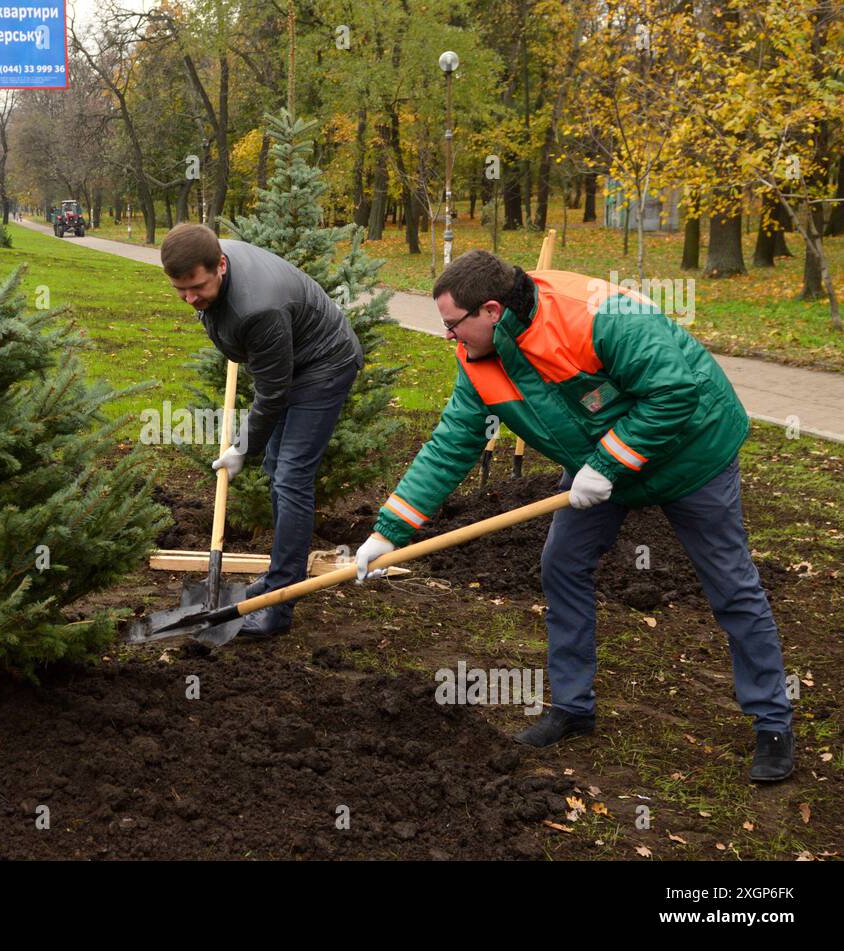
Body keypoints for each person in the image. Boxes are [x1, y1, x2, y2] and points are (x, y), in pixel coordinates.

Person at [353, 250, 794, 782]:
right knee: (561, 565)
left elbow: (674, 390)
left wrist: (609, 461)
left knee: (730, 583)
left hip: (692, 450)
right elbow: (451, 445)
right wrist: (388, 533)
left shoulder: (594, 316)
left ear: (491, 309)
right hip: (598, 467)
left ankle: (772, 722)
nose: (449, 337)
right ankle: (572, 706)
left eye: (452, 325)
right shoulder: (479, 360)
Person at [160, 223, 363, 637]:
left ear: (220, 265)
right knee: (276, 470)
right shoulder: (212, 260)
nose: (190, 299)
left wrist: (241, 447)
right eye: (181, 290)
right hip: (291, 361)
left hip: (323, 366)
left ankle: (279, 604)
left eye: (197, 287)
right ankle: (276, 578)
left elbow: (273, 393)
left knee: (290, 478)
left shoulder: (257, 309)